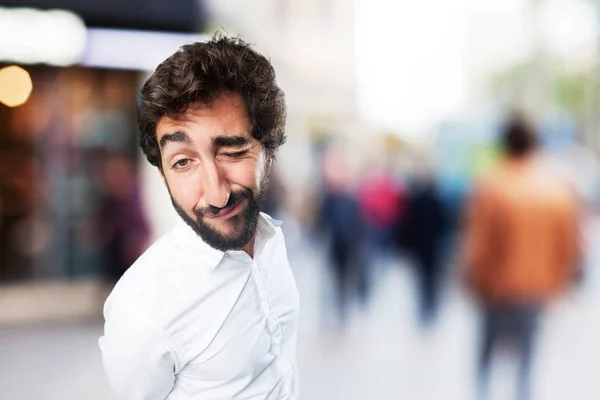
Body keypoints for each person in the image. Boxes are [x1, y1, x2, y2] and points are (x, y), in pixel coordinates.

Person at [99, 35, 300, 400]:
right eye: (182, 162)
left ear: (267, 151)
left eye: (233, 151)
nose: (217, 194)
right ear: (162, 174)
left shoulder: (273, 240)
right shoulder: (141, 310)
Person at [463, 114, 580, 400]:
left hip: (495, 288)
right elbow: (568, 248)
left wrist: (471, 279)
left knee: (487, 354)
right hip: (537, 289)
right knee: (527, 358)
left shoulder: (490, 186)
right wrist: (560, 285)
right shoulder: (557, 190)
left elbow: (478, 244)